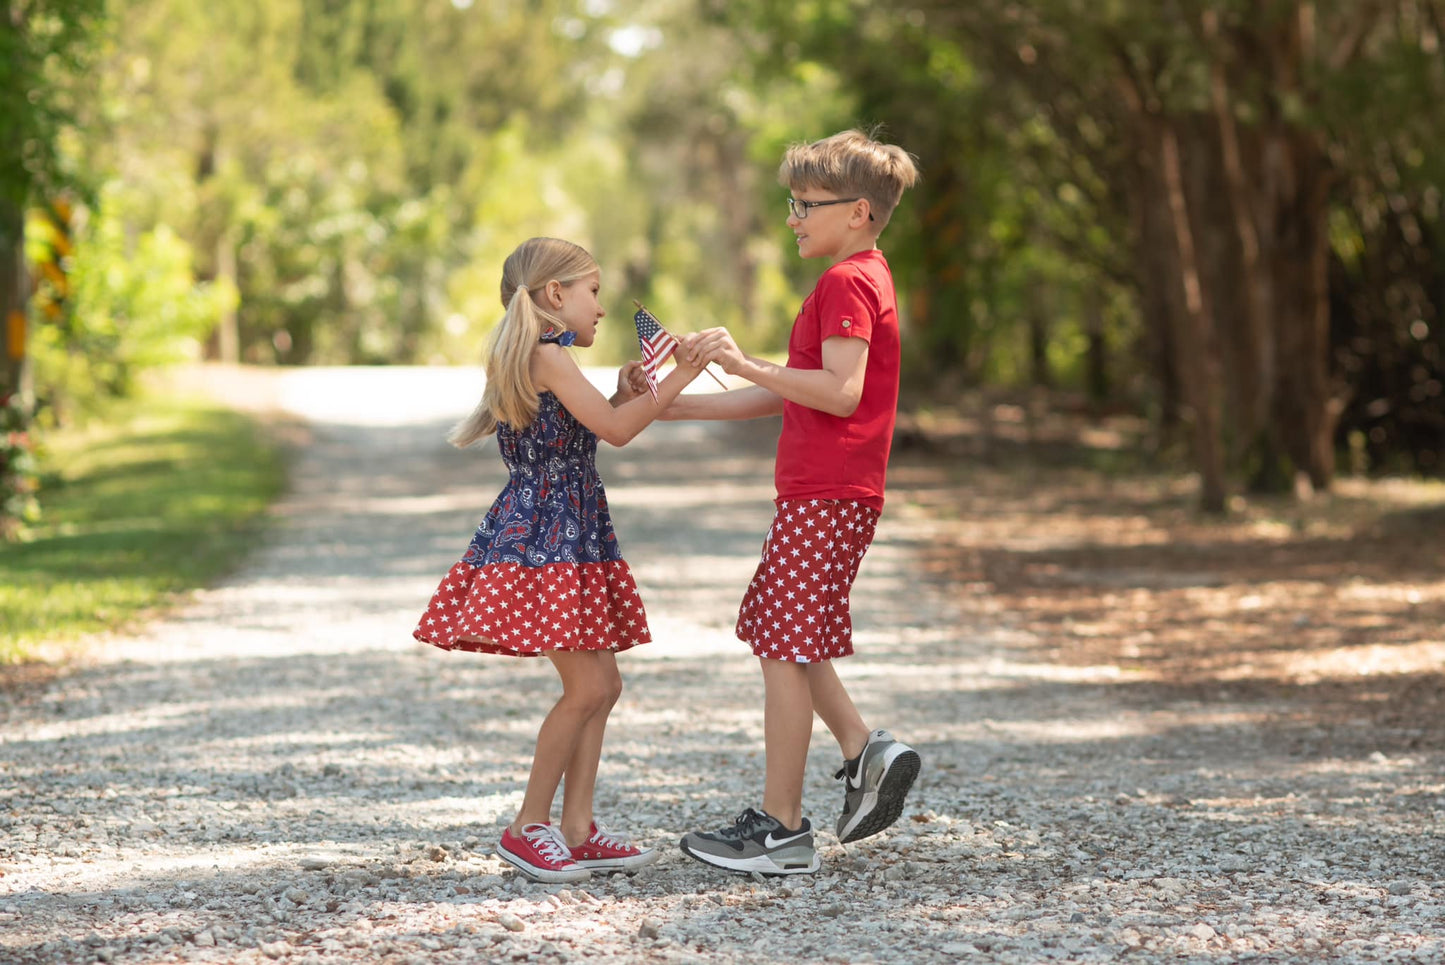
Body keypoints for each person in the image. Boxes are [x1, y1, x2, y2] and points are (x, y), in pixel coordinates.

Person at [668, 129, 922, 875]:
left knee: (782, 645)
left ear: (860, 212)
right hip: (824, 490)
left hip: (828, 490)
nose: (793, 218)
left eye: (808, 204)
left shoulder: (847, 283)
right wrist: (674, 408)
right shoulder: (856, 277)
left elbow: (838, 394)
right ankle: (865, 751)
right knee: (782, 629)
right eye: (793, 202)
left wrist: (742, 357)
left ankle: (779, 830)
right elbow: (794, 394)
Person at [414, 237, 702, 884]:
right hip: (547, 540)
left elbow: (600, 419)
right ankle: (526, 826)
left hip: (568, 534)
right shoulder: (548, 356)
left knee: (605, 684)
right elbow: (618, 431)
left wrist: (630, 387)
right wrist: (679, 373)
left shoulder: (550, 357)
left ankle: (577, 827)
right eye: (592, 291)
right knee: (586, 687)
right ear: (554, 296)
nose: (600, 307)